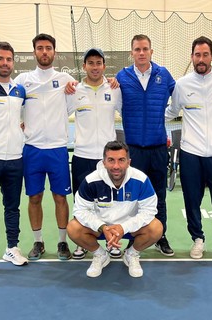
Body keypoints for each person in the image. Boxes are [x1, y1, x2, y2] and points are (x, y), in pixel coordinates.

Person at [165, 36, 212, 260]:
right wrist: (145, 120)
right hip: (190, 155)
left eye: (206, 54)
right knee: (192, 199)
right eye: (197, 54)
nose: (202, 59)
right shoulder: (182, 84)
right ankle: (197, 239)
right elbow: (170, 112)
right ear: (192, 57)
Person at [15, 33, 74, 260]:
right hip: (32, 149)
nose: (44, 52)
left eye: (48, 48)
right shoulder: (22, 80)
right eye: (40, 48)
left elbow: (69, 108)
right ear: (34, 52)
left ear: (54, 52)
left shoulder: (66, 79)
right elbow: (14, 107)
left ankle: (62, 242)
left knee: (60, 197)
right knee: (34, 198)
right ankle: (38, 242)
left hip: (58, 148)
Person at [67, 141, 163, 278]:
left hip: (130, 228)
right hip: (101, 229)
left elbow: (149, 212)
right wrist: (102, 227)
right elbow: (80, 211)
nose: (116, 166)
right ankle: (100, 255)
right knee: (73, 228)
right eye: (111, 160)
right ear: (104, 162)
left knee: (156, 228)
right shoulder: (91, 181)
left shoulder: (141, 180)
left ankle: (131, 254)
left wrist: (123, 227)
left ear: (128, 162)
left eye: (121, 160)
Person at [116, 34, 175, 256]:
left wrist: (163, 117)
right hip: (133, 150)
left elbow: (180, 99)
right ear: (131, 53)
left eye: (145, 49)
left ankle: (160, 236)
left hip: (158, 148)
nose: (141, 53)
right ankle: (134, 238)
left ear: (151, 52)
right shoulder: (122, 77)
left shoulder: (164, 75)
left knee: (159, 194)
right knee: (134, 196)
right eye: (137, 49)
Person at [68, 48, 122, 260]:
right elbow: (57, 112)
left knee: (110, 203)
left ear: (104, 66)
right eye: (90, 63)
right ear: (84, 67)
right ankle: (82, 243)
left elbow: (127, 111)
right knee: (82, 202)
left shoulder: (115, 89)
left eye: (98, 63)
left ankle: (113, 242)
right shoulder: (75, 91)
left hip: (107, 160)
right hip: (82, 155)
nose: (95, 67)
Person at [0, 42, 28, 266]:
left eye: (8, 59)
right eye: (0, 59)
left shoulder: (19, 90)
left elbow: (24, 119)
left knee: (12, 206)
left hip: (15, 158)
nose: (5, 63)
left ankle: (12, 248)